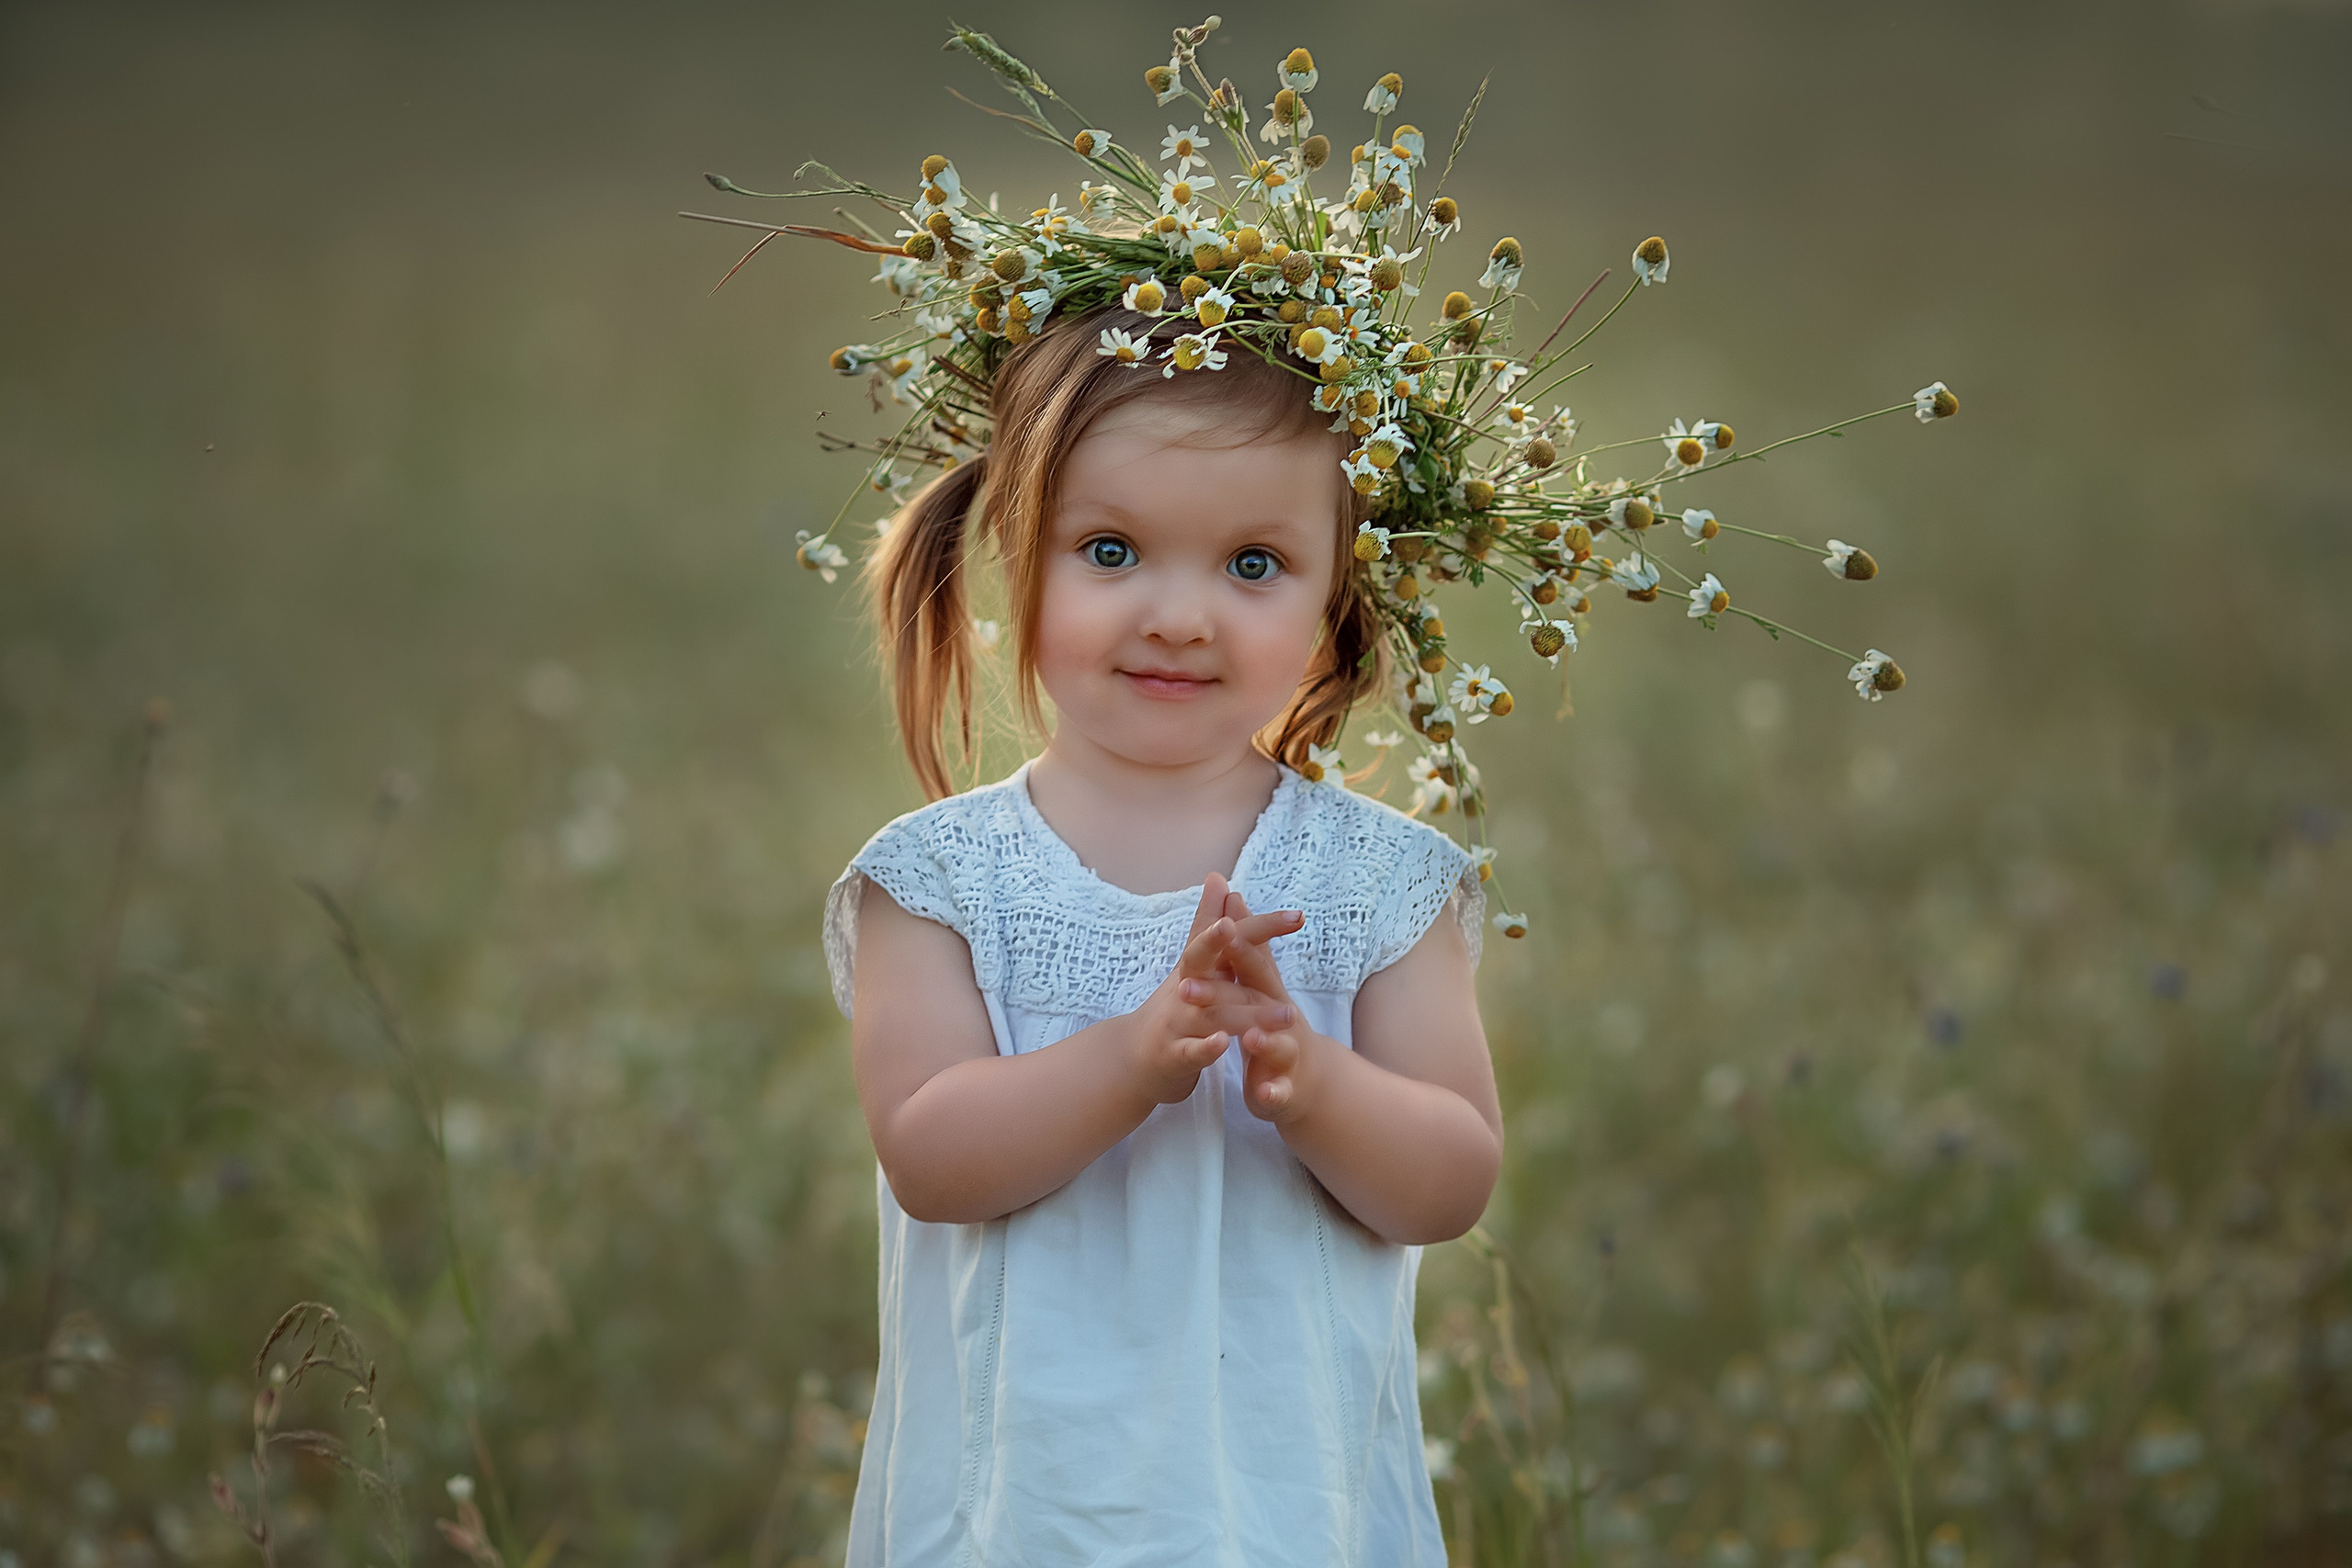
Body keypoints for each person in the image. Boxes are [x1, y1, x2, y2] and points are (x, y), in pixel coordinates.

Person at [820, 304, 1500, 1565]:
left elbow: (1452, 1177)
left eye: (1252, 564)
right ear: (1019, 551)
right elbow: (931, 1155)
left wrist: (1311, 1081)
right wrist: (1134, 1058)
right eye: (1114, 549)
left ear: (1338, 585)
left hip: (1286, 1513)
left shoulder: (1380, 883)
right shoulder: (938, 884)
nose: (1180, 616)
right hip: (1023, 1515)